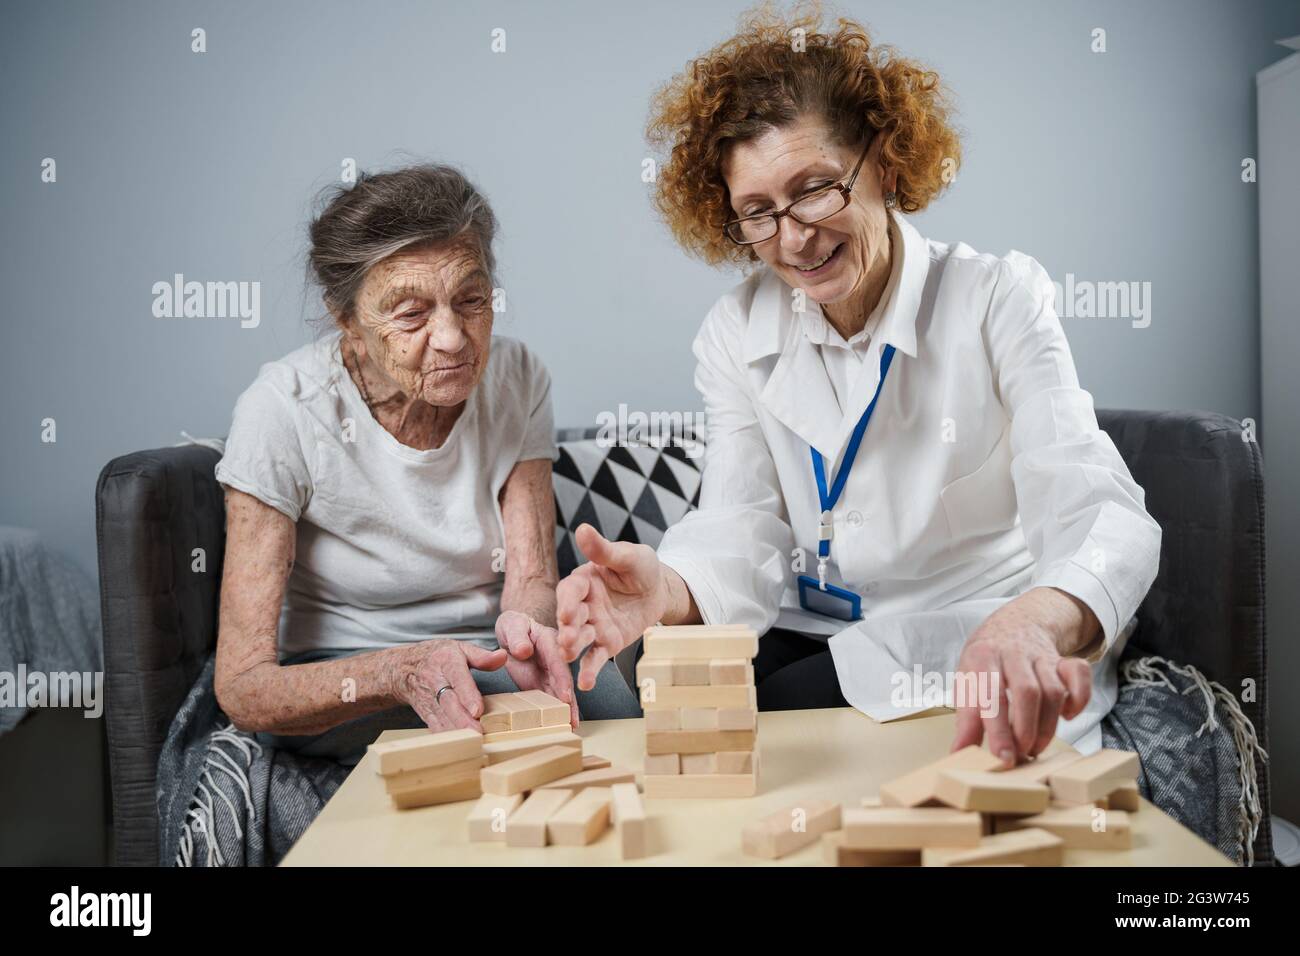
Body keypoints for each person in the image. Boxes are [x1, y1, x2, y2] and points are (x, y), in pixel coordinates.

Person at [555, 9, 1160, 764]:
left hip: (966, 634)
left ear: (888, 165)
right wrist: (669, 590)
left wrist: (1036, 620)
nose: (795, 238)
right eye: (759, 213)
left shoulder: (998, 297)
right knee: (671, 707)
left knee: (783, 723)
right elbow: (742, 524)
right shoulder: (735, 332)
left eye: (814, 190)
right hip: (809, 629)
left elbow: (1096, 504)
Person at [213, 164, 639, 761]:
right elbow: (242, 687)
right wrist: (400, 671)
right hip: (346, 678)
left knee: (608, 708)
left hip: (482, 657)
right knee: (554, 731)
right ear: (348, 320)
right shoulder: (281, 411)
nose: (453, 338)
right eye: (411, 314)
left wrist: (528, 631)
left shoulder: (517, 379)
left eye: (471, 300)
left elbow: (531, 577)